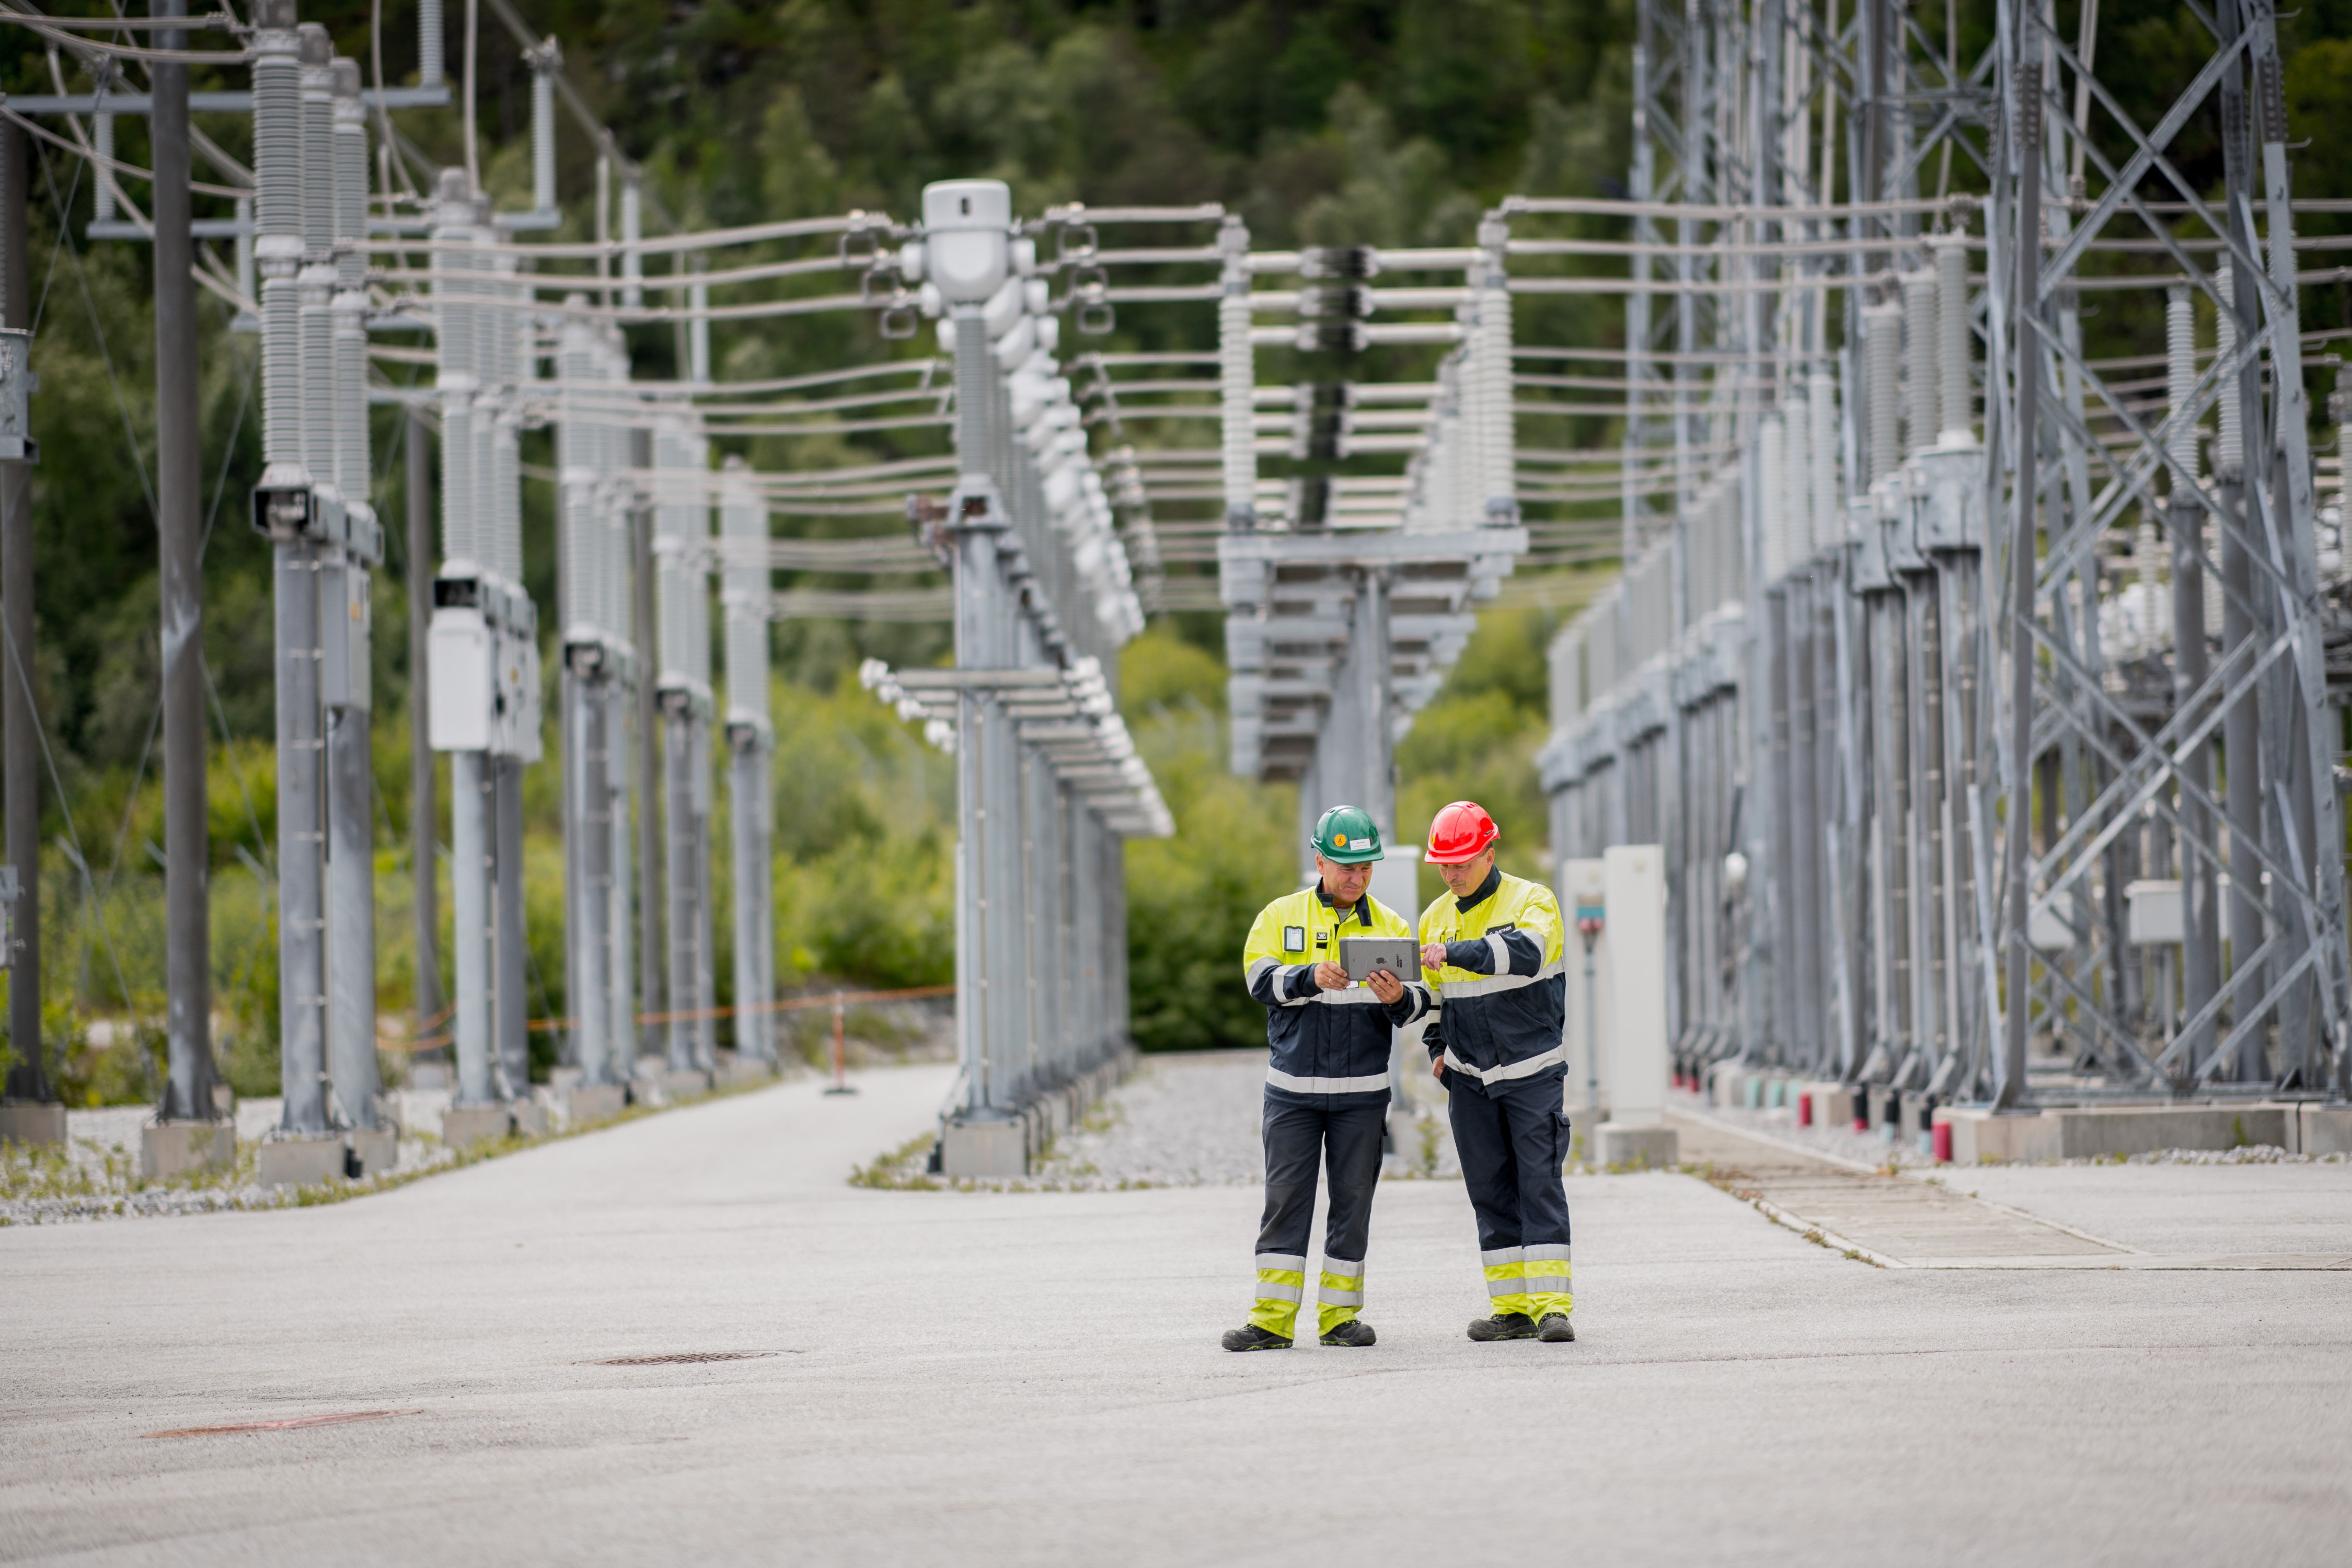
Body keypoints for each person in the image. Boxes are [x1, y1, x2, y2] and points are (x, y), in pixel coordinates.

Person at [1223, 806, 1430, 1352]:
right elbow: (1257, 979)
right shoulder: (1279, 915)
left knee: (1352, 1205)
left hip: (1361, 1099)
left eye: (1364, 868)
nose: (1355, 878)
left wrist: (1398, 998)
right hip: (1292, 1095)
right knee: (1285, 1201)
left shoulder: (1390, 927)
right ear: (1319, 860)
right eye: (1345, 867)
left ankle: (1340, 1319)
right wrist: (1308, 977)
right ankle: (1271, 1320)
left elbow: (1418, 1008)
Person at [1416, 800, 1575, 1344]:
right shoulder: (1434, 916)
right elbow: (1435, 1000)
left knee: (1539, 1185)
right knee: (1489, 1190)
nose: (1452, 873)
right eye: (1443, 864)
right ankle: (1510, 1309)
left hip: (1532, 1074)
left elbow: (1526, 953)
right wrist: (1436, 1046)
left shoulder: (1533, 901)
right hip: (1470, 1079)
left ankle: (1552, 1308)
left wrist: (1456, 951)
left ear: (1489, 851)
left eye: (1461, 861)